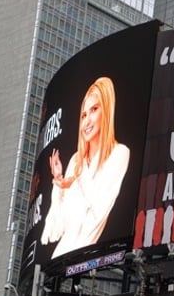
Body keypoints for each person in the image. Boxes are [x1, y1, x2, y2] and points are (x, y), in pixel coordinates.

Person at [41, 76, 130, 258]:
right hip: (60, 257)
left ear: (107, 110)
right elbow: (56, 230)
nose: (87, 121)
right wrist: (58, 184)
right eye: (83, 115)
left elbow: (100, 208)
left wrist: (78, 178)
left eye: (94, 110)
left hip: (86, 255)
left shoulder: (119, 153)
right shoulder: (76, 161)